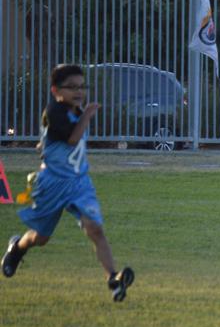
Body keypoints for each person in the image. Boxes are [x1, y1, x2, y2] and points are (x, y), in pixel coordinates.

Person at [2, 64, 134, 302]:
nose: (79, 91)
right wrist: (87, 115)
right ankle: (18, 247)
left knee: (95, 229)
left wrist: (45, 144)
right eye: (71, 87)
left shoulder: (74, 109)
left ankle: (113, 278)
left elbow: (55, 139)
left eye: (82, 86)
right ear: (55, 90)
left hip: (79, 182)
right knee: (41, 238)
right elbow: (72, 139)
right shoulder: (55, 110)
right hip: (52, 183)